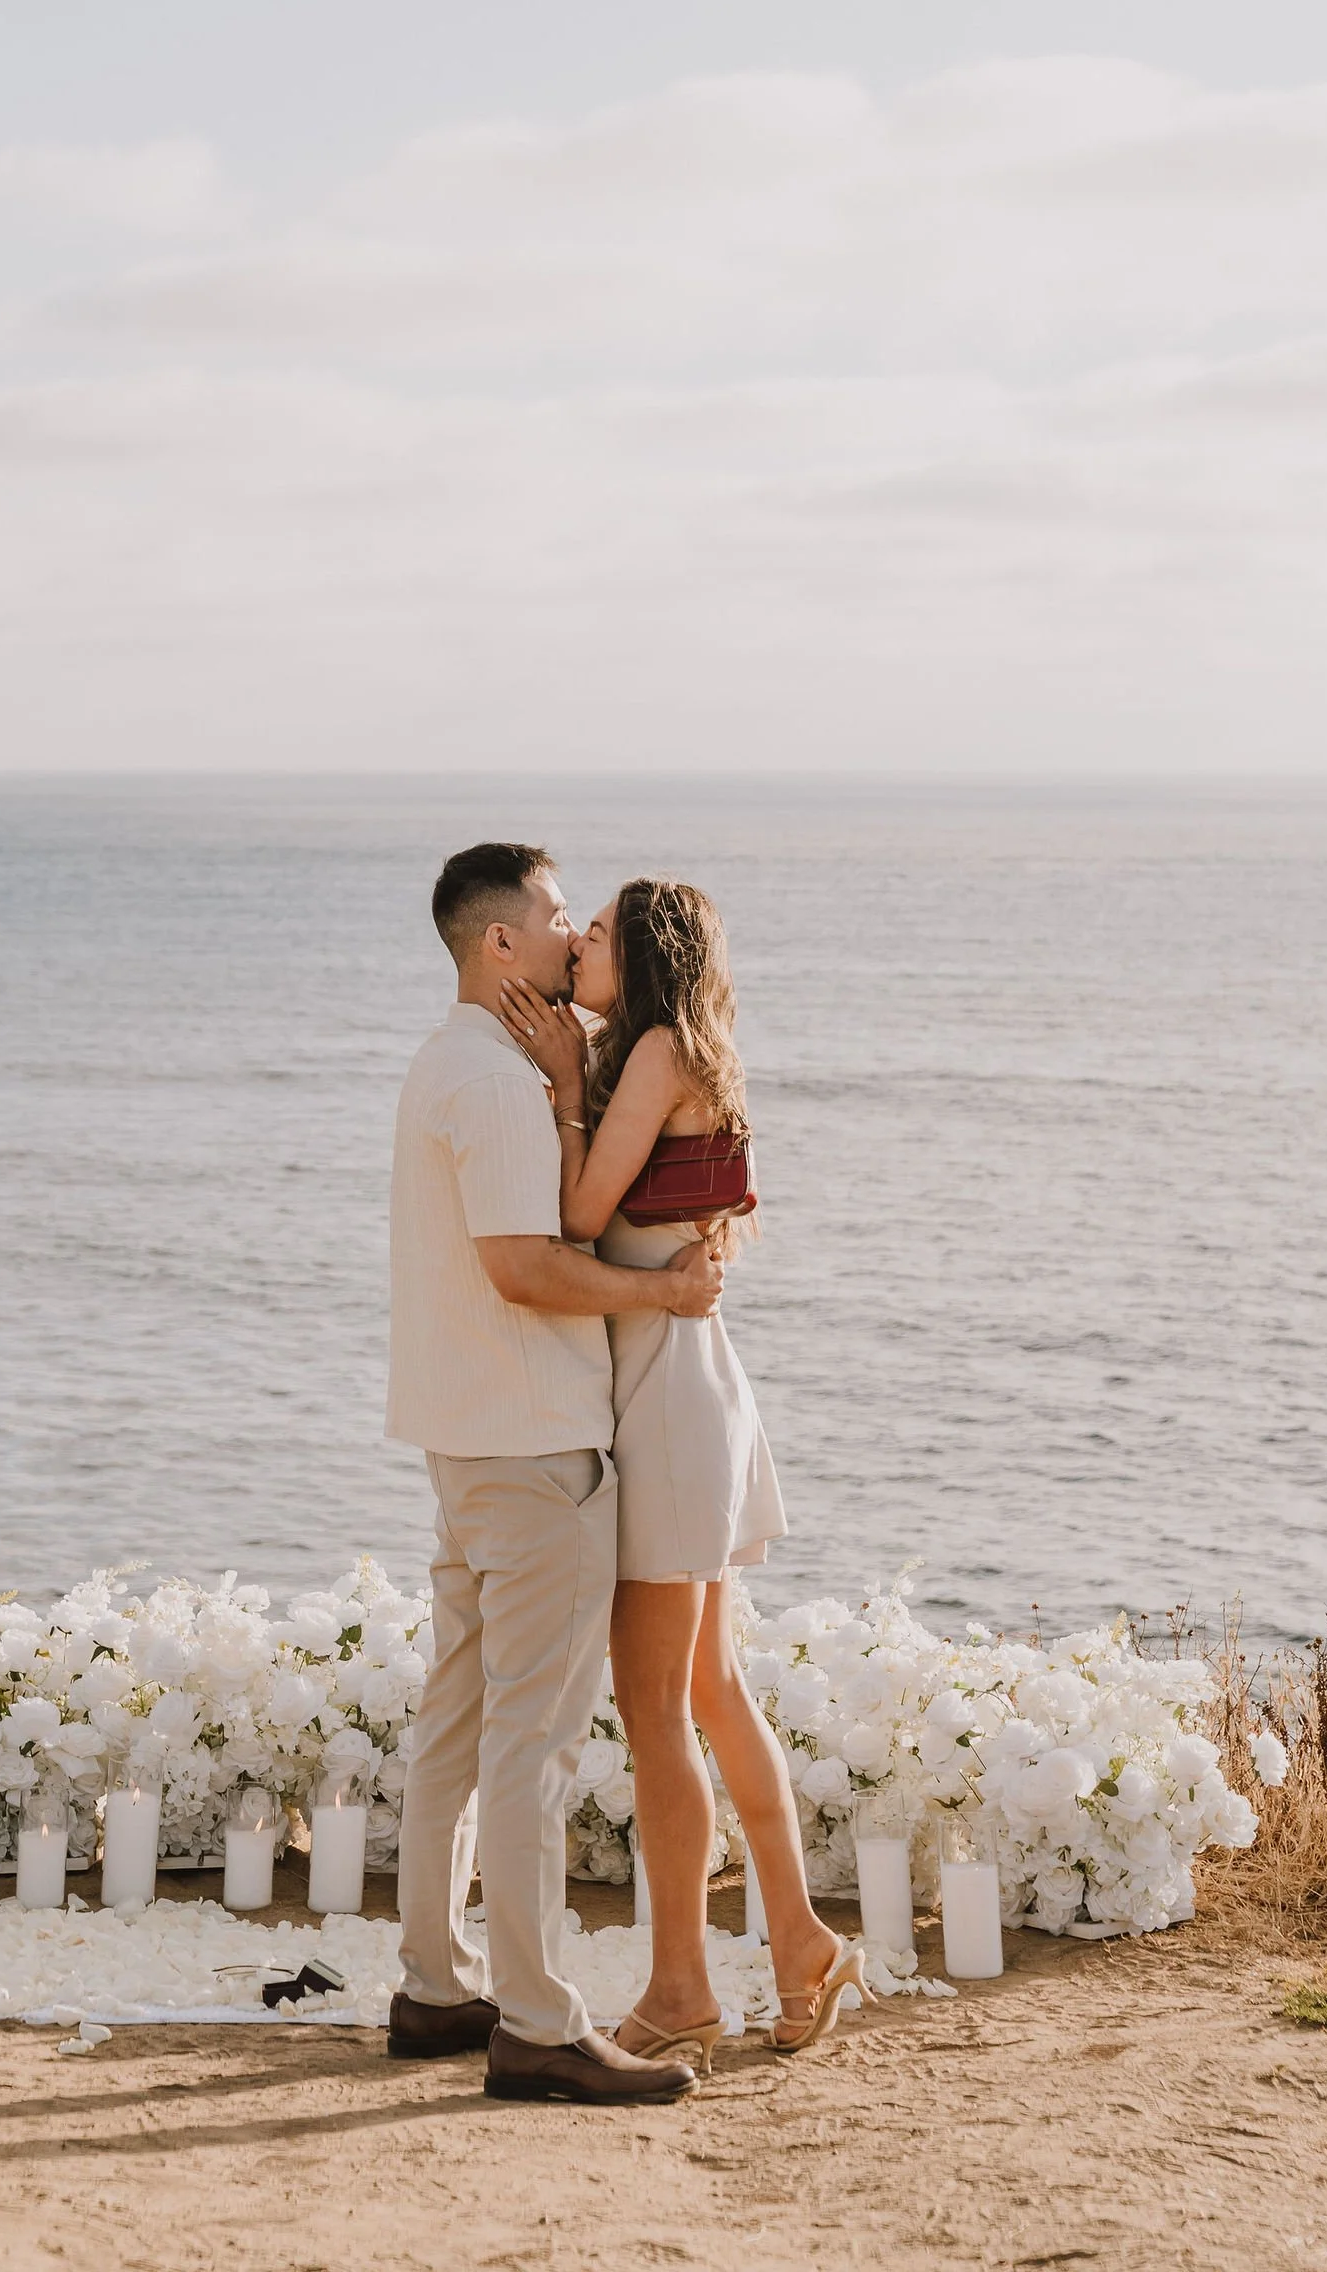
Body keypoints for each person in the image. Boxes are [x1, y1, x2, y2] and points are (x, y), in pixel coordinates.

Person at [499, 878, 867, 2064]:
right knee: (710, 1694)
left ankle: (680, 1990)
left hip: (665, 1397)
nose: (579, 946)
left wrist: (559, 1083)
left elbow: (573, 1211)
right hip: (694, 1380)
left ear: (644, 954)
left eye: (596, 931)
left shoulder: (651, 1051)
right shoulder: (677, 1047)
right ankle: (800, 1938)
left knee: (659, 1707)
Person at [385, 841, 728, 2106]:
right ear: (499, 946)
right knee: (530, 1744)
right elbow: (528, 1266)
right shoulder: (498, 1085)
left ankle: (435, 1985)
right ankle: (532, 2022)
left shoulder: (454, 1060)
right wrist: (662, 1294)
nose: (568, 927)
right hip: (532, 1448)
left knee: (461, 1720)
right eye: (549, 912)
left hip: (467, 1437)